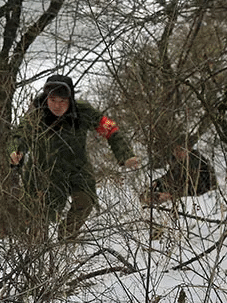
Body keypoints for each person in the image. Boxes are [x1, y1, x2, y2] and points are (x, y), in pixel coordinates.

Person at [9, 74, 139, 240]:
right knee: (40, 218)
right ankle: (37, 254)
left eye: (62, 101)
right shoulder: (36, 114)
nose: (57, 106)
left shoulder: (81, 111)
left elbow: (110, 129)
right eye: (53, 100)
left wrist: (125, 155)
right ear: (47, 98)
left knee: (85, 201)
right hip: (44, 170)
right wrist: (15, 151)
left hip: (77, 167)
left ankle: (67, 238)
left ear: (70, 100)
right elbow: (19, 135)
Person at [144, 138, 215, 205]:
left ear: (188, 149)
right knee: (145, 196)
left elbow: (197, 189)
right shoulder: (179, 162)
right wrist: (157, 182)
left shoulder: (197, 163)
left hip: (195, 201)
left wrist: (171, 195)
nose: (176, 153)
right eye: (175, 150)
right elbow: (169, 176)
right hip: (176, 194)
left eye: (180, 150)